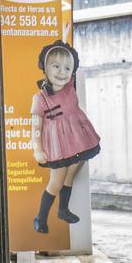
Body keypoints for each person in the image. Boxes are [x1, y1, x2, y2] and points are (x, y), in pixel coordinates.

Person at [31, 40, 101, 233]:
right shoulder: (40, 98)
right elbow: (36, 125)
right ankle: (40, 217)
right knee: (56, 181)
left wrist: (65, 37)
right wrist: (37, 148)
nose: (62, 72)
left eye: (67, 68)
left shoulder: (71, 86)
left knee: (71, 172)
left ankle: (63, 209)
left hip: (78, 139)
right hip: (58, 144)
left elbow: (67, 56)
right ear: (45, 68)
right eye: (55, 66)